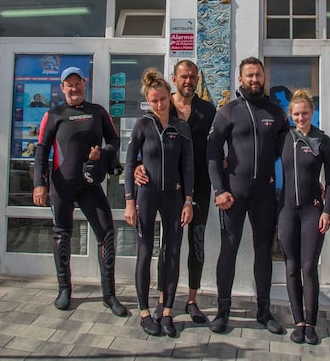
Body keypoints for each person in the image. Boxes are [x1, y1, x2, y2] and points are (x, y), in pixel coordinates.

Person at [32, 67, 127, 316]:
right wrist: (38, 184)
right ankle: (64, 289)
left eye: (78, 84)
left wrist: (103, 155)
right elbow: (41, 149)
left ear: (85, 84)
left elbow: (114, 141)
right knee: (62, 235)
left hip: (90, 184)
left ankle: (109, 295)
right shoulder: (54, 114)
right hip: (61, 185)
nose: (74, 88)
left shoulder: (97, 112)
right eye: (69, 85)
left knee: (106, 234)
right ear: (62, 88)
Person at [207, 56, 289, 334]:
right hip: (233, 194)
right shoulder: (228, 111)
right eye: (249, 75)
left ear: (264, 77)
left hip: (265, 194)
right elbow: (212, 154)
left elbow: (286, 150)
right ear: (240, 79)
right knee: (228, 250)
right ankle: (222, 311)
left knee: (263, 252)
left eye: (258, 75)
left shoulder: (276, 113)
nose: (254, 80)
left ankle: (264, 312)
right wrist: (220, 190)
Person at [135, 60, 217, 324]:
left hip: (198, 187)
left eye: (193, 77)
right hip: (165, 187)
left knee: (197, 244)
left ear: (197, 80)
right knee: (166, 246)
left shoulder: (207, 110)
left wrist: (224, 163)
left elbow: (216, 146)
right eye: (184, 76)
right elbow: (145, 143)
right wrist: (137, 164)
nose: (188, 81)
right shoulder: (162, 103)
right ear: (175, 78)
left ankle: (191, 300)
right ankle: (162, 299)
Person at [124, 68, 195, 337]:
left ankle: (166, 312)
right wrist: (130, 201)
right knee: (145, 252)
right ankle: (144, 312)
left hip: (174, 197)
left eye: (163, 99)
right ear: (148, 101)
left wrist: (188, 201)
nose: (160, 104)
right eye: (154, 100)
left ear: (169, 96)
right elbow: (130, 162)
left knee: (173, 252)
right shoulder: (143, 125)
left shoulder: (181, 127)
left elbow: (188, 166)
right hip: (147, 195)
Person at [278, 89, 330, 345]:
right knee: (292, 267)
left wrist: (327, 210)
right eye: (296, 114)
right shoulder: (284, 138)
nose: (301, 118)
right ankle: (298, 322)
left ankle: (311, 324)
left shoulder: (323, 140)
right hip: (287, 211)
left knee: (309, 267)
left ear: (312, 113)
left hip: (313, 211)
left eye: (305, 114)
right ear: (290, 115)